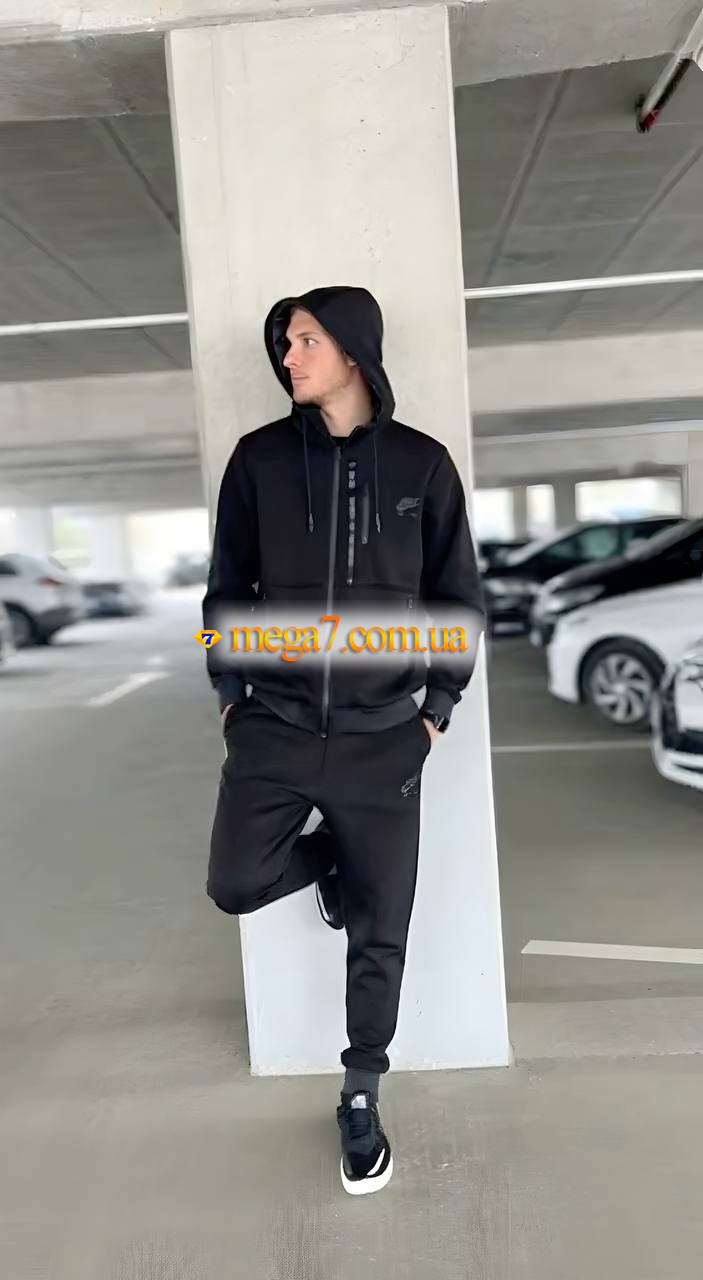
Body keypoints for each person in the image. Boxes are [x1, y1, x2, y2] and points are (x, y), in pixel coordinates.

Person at [202, 285, 485, 1195]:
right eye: (285, 343)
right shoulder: (258, 461)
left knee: (380, 929)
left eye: (305, 341)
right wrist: (229, 692)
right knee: (235, 882)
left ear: (352, 351)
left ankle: (361, 1091)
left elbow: (456, 594)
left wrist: (436, 709)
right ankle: (328, 862)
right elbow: (225, 586)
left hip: (383, 739)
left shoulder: (421, 465)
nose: (288, 358)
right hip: (275, 728)